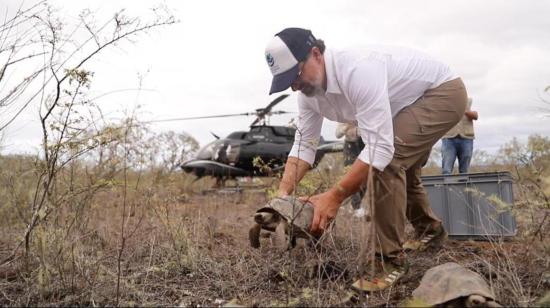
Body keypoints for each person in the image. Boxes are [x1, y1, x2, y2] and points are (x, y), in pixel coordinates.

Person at [264, 28, 468, 291]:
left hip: (442, 93)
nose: (294, 86)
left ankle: (389, 262)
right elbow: (304, 145)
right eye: (286, 81)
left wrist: (334, 197)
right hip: (401, 107)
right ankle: (430, 231)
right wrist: (281, 198)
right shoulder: (309, 95)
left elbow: (380, 149)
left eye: (296, 74)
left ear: (316, 54)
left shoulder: (358, 69)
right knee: (401, 166)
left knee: (388, 160)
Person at [335, 122, 367, 216]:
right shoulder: (344, 118)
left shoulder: (364, 115)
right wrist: (346, 127)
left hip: (364, 145)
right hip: (350, 147)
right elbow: (337, 134)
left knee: (365, 177)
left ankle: (354, 204)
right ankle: (355, 207)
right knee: (352, 175)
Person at [441, 98, 478, 174]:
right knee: (446, 169)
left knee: (464, 170)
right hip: (449, 138)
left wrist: (464, 110)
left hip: (466, 138)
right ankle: (446, 185)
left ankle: (464, 185)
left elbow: (475, 116)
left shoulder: (468, 100)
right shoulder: (444, 101)